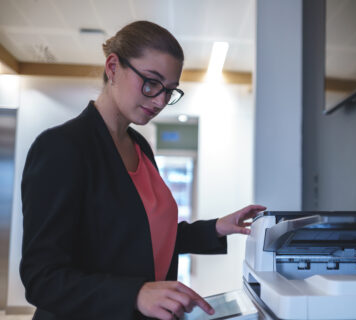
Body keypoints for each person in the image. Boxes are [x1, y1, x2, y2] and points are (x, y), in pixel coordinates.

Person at [20, 20, 266, 320]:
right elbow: (42, 278)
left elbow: (140, 236)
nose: (161, 100)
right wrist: (134, 294)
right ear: (113, 68)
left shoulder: (139, 146)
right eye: (151, 82)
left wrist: (215, 228)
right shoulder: (62, 147)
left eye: (170, 90)